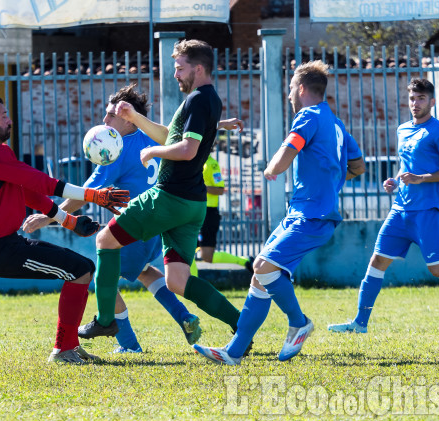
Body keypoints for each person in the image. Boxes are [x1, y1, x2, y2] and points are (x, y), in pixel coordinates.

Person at [76, 39, 248, 347]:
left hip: (170, 196)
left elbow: (186, 148)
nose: (175, 75)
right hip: (192, 203)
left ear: (198, 68)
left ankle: (105, 322)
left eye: (180, 68)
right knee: (176, 280)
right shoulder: (209, 99)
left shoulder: (197, 100)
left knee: (105, 240)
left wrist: (153, 151)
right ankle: (242, 326)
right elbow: (174, 134)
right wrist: (137, 120)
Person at [193, 60, 366, 365]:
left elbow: (286, 155)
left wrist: (272, 169)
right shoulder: (335, 122)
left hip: (311, 214)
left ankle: (298, 322)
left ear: (301, 89)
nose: (288, 95)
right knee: (260, 278)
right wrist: (329, 179)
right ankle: (233, 352)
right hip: (307, 212)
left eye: (289, 89)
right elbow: (358, 166)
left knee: (262, 266)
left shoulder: (307, 116)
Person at [22, 83, 203, 353]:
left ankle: (129, 345)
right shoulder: (154, 137)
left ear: (128, 118)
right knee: (143, 271)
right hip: (160, 225)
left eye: (110, 115)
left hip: (134, 225)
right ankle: (184, 317)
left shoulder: (117, 149)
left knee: (103, 281)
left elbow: (85, 194)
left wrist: (48, 217)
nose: (104, 121)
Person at [328, 78, 439, 334]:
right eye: (412, 98)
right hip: (400, 210)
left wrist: (422, 178)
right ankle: (360, 323)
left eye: (421, 98)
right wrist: (395, 183)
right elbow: (407, 167)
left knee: (438, 269)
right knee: (377, 261)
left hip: (426, 211)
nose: (415, 103)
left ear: (432, 102)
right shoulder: (402, 130)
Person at [0, 93, 130, 364]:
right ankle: (63, 349)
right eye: (2, 115)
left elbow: (29, 193)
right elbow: (41, 182)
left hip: (5, 246)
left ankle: (69, 347)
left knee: (82, 268)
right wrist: (93, 196)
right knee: (80, 270)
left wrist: (70, 222)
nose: (9, 120)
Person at [190, 152, 254, 278]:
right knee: (187, 251)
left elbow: (219, 190)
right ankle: (189, 286)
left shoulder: (211, 164)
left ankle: (245, 261)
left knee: (207, 257)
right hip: (193, 211)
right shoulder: (192, 161)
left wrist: (199, 186)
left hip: (207, 213)